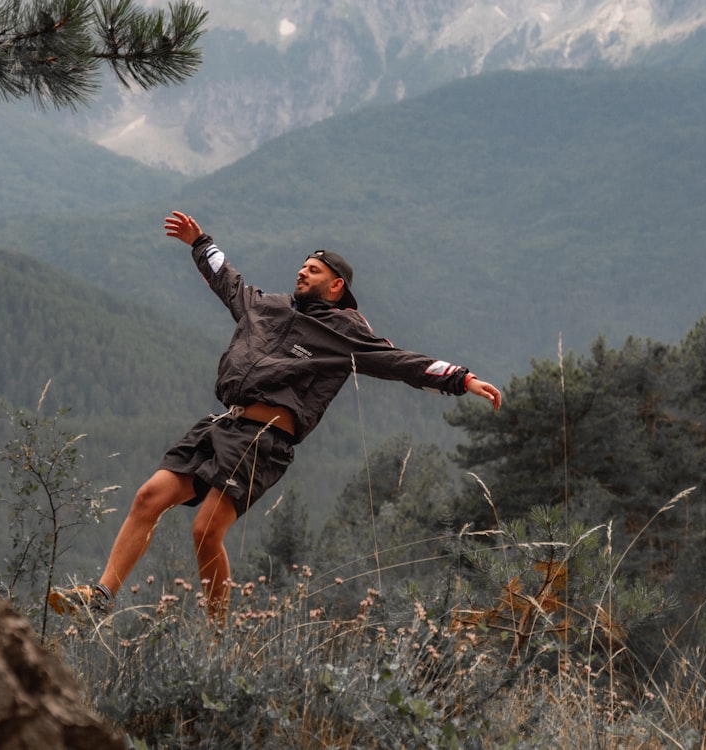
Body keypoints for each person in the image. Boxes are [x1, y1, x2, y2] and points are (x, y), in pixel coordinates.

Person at [49, 210, 502, 621]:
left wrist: (461, 379)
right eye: (303, 266)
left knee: (206, 531)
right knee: (149, 497)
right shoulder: (266, 306)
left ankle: (217, 643)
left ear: (336, 285)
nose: (303, 271)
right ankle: (100, 600)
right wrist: (198, 241)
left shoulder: (343, 331)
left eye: (314, 269)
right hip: (224, 423)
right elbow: (226, 278)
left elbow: (400, 361)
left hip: (265, 439)